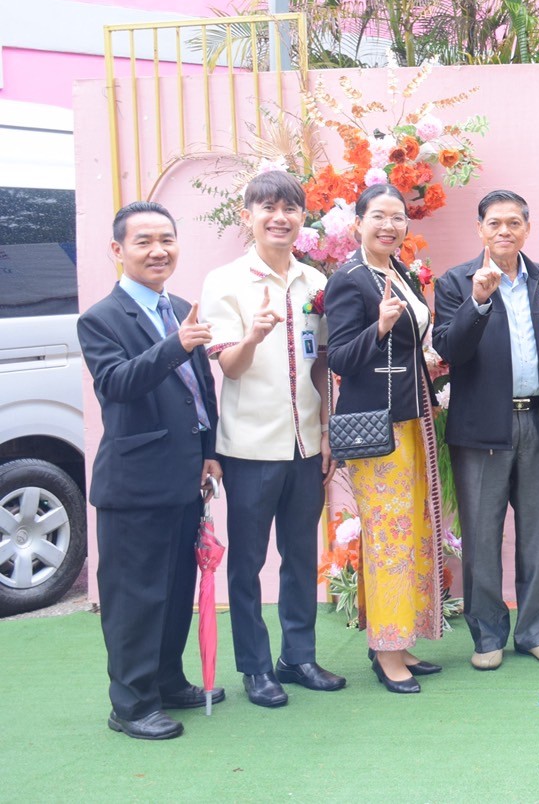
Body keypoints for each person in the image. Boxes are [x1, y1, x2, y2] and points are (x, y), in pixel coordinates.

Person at [78, 201, 223, 740]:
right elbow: (116, 384)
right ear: (118, 250)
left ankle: (167, 680)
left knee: (175, 589)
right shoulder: (101, 318)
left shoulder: (179, 307)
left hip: (185, 476)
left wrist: (210, 450)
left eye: (166, 239)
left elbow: (200, 390)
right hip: (134, 483)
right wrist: (175, 344)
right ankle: (132, 704)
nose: (158, 250)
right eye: (144, 241)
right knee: (135, 597)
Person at [200, 171, 345, 707]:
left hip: (306, 446)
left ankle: (298, 657)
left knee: (301, 555)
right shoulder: (225, 282)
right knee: (247, 563)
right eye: (268, 208)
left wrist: (326, 431)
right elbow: (230, 368)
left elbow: (321, 363)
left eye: (290, 209)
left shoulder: (313, 282)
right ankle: (256, 668)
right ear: (248, 216)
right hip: (249, 449)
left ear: (303, 218)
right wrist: (254, 335)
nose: (279, 218)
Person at [433, 190, 539, 671]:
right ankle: (488, 634)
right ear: (480, 229)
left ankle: (538, 630)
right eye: (494, 223)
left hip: (538, 421)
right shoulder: (456, 282)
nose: (504, 231)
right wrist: (478, 301)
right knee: (481, 538)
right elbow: (450, 349)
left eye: (514, 222)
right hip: (481, 430)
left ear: (527, 229)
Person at [324, 184, 445, 694]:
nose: (389, 226)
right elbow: (339, 358)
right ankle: (387, 652)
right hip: (377, 427)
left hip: (412, 419)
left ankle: (400, 640)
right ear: (358, 223)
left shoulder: (400, 272)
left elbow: (412, 344)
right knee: (388, 537)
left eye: (397, 217)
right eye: (378, 216)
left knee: (411, 531)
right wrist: (376, 328)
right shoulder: (349, 279)